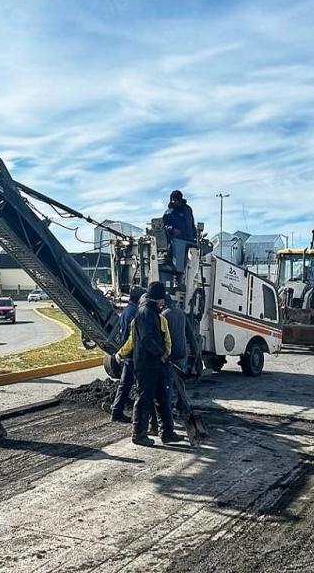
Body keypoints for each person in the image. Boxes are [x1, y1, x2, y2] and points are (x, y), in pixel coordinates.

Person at [117, 282, 183, 446]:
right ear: (158, 299)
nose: (163, 303)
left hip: (156, 364)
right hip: (146, 365)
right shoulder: (145, 313)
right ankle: (138, 434)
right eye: (162, 299)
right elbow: (146, 339)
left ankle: (167, 432)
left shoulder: (152, 312)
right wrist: (161, 354)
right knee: (144, 399)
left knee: (162, 398)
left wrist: (162, 357)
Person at [108, 286, 147, 423]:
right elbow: (134, 337)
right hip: (133, 353)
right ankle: (142, 418)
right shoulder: (135, 313)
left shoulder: (126, 311)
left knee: (125, 384)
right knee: (142, 386)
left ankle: (116, 411)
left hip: (127, 353)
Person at [162, 190, 196, 278]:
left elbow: (191, 224)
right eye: (174, 200)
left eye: (177, 200)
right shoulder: (169, 212)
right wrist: (172, 229)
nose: (175, 202)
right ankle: (179, 279)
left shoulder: (187, 210)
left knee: (191, 266)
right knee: (179, 266)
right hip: (177, 242)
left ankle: (185, 279)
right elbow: (164, 226)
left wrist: (195, 235)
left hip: (189, 240)